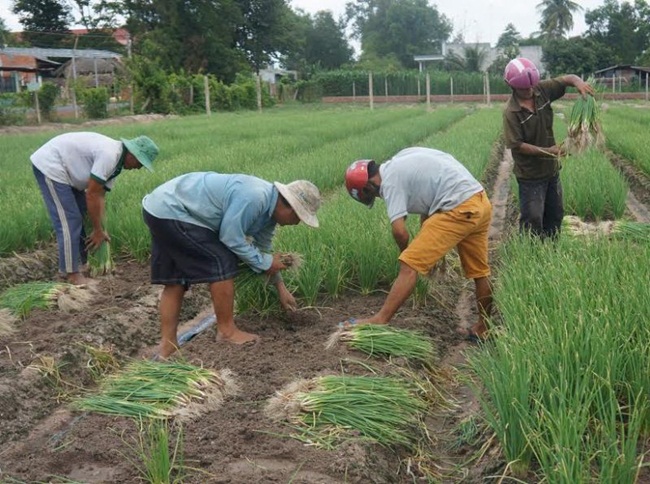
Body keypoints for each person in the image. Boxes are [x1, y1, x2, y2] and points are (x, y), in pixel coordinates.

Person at [141, 172, 322, 358]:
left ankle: (168, 346)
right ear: (291, 208)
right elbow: (230, 237)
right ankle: (227, 331)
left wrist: (280, 287)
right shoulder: (255, 197)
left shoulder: (269, 214)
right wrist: (266, 263)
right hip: (173, 210)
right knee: (221, 260)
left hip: (159, 208)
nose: (297, 223)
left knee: (175, 281)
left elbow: (263, 250)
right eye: (299, 217)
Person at [343, 147, 493, 342]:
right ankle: (484, 327)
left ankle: (380, 319)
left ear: (368, 187)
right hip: (478, 200)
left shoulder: (389, 183)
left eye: (372, 195)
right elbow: (430, 199)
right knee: (480, 272)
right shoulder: (401, 159)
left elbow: (399, 231)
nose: (378, 197)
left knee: (409, 265)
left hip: (458, 207)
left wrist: (407, 255)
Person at [31, 132, 159, 285]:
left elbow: (100, 196)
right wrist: (98, 230)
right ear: (132, 154)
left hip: (69, 171)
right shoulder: (110, 155)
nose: (138, 168)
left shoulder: (116, 165)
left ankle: (83, 264)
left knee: (85, 215)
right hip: (52, 165)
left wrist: (101, 228)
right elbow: (91, 193)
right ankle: (71, 274)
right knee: (70, 220)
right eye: (140, 163)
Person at [503, 57, 594, 238]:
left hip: (551, 170)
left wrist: (579, 83)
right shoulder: (511, 112)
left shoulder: (541, 90)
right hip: (530, 175)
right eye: (523, 88)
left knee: (555, 215)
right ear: (511, 85)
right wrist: (549, 151)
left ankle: (551, 252)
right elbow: (517, 145)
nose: (529, 91)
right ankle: (531, 254)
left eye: (531, 86)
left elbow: (567, 78)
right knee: (533, 218)